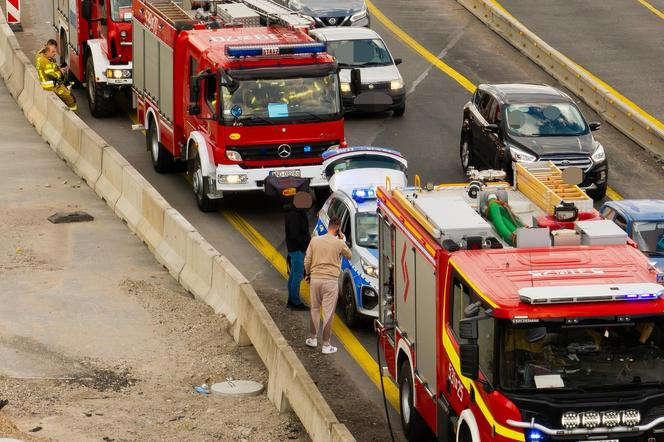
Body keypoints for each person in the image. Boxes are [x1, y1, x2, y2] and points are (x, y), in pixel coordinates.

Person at [304, 216, 352, 354]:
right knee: (328, 312)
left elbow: (307, 260)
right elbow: (348, 255)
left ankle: (312, 339)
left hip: (316, 278)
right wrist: (342, 240)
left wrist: (308, 274)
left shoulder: (315, 240)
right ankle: (326, 345)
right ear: (338, 227)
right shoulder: (339, 243)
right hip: (330, 280)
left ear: (328, 225)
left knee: (314, 308)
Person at [285, 192, 312, 311]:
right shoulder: (294, 216)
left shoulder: (296, 212)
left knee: (293, 274)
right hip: (297, 248)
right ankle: (295, 302)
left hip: (294, 248)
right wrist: (304, 244)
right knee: (298, 274)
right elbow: (295, 234)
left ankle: (291, 300)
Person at [35, 39, 77, 111]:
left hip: (49, 83)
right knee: (71, 98)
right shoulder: (45, 61)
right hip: (51, 86)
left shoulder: (41, 55)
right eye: (53, 52)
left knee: (66, 85)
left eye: (55, 51)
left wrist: (58, 67)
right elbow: (52, 76)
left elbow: (49, 69)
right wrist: (60, 71)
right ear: (47, 51)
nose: (55, 53)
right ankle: (72, 113)